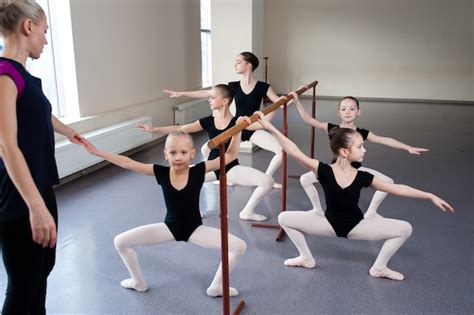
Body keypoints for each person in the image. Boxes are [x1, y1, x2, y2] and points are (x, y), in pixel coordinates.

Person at [254, 110, 453, 281]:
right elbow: (293, 149)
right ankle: (306, 258)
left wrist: (429, 195)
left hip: (358, 227)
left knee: (405, 229)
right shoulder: (322, 170)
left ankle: (379, 267)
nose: (364, 150)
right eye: (359, 146)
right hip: (328, 225)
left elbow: (397, 188)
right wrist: (270, 128)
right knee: (284, 218)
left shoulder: (363, 177)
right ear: (344, 152)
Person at [80, 130, 247, 296]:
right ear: (166, 154)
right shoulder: (161, 172)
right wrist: (97, 152)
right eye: (173, 152)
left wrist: (238, 131)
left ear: (192, 154)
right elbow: (127, 163)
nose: (178, 157)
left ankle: (216, 287)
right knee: (120, 242)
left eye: (183, 152)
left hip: (195, 229)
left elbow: (230, 156)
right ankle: (138, 282)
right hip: (169, 228)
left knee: (239, 247)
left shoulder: (198, 170)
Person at [0, 1, 83, 313]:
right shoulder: (4, 75)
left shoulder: (21, 74)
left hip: (40, 186)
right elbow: (7, 145)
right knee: (23, 285)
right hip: (20, 198)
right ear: (28, 26)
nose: (46, 40)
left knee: (40, 273)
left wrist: (68, 131)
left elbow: (40, 113)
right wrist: (35, 206)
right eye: (45, 32)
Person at [137, 84, 275, 221]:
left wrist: (273, 107)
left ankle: (247, 212)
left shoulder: (237, 121)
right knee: (181, 176)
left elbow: (260, 124)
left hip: (231, 168)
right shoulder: (208, 121)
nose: (209, 100)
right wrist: (153, 129)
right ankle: (193, 208)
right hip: (211, 167)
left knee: (267, 182)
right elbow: (181, 128)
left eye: (213, 97)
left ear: (225, 101)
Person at [293, 92, 428, 218]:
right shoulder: (332, 129)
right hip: (334, 170)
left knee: (388, 182)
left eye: (352, 109)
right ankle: (317, 209)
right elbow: (309, 120)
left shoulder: (362, 133)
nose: (347, 112)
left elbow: (383, 139)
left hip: (356, 170)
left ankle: (371, 212)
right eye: (344, 109)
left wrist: (407, 147)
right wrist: (297, 102)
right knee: (305, 180)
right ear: (338, 112)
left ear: (358, 112)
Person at [163, 52, 285, 188]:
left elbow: (279, 102)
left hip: (251, 127)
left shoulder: (263, 87)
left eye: (238, 62)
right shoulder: (233, 86)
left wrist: (292, 96)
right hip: (234, 126)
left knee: (281, 151)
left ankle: (267, 178)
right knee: (206, 149)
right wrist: (182, 93)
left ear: (248, 65)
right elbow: (207, 93)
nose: (235, 65)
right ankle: (221, 173)